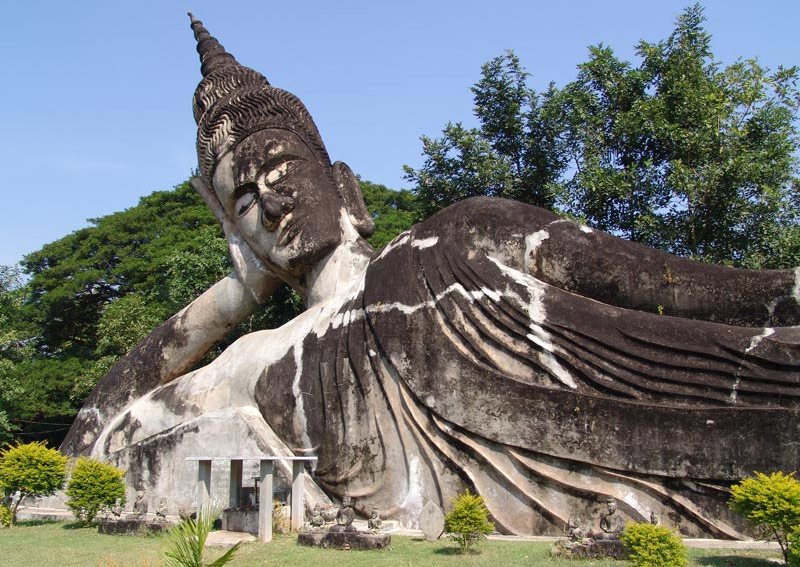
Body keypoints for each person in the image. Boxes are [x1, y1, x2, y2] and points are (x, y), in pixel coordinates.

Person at [61, 13, 800, 538]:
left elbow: (695, 290)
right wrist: (235, 293)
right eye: (243, 201)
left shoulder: (456, 235)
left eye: (281, 171)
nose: (270, 202)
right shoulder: (257, 360)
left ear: (344, 187)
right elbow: (92, 445)